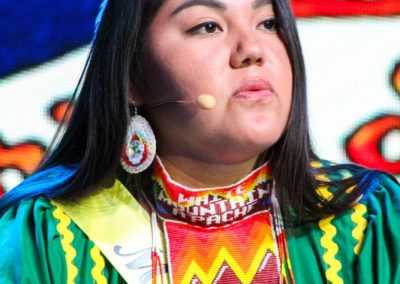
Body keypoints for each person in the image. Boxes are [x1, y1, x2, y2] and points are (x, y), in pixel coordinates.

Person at [1, 0, 399, 283]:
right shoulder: (49, 238)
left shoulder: (368, 222)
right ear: (132, 77)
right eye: (208, 25)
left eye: (269, 22)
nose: (253, 50)